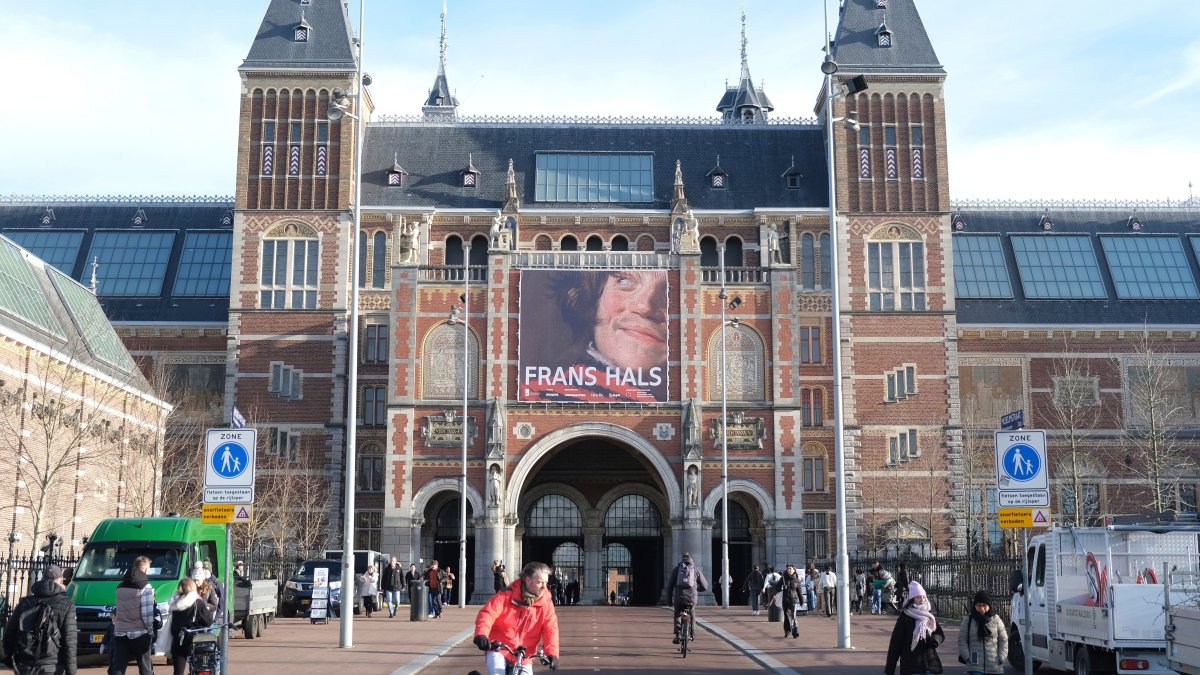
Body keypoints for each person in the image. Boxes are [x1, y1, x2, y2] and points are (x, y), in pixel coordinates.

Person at [524, 270, 669, 403]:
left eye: (671, 291)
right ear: (593, 298)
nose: (645, 306)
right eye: (624, 281)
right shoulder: (537, 398)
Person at [473, 561, 560, 674]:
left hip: (525, 656)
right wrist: (481, 634)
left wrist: (552, 653)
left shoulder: (546, 604)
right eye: (540, 582)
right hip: (499, 649)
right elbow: (488, 613)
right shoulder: (506, 594)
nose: (544, 587)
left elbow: (550, 629)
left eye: (546, 582)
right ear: (528, 580)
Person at [2, 564, 77, 675]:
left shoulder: (25, 602)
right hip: (52, 665)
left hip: (25, 663)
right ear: (60, 580)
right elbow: (69, 641)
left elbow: (10, 633)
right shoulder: (66, 604)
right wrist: (71, 670)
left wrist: (9, 659)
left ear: (42, 579)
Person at [885, 582, 944, 675]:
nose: (922, 599)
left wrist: (935, 640)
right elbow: (895, 644)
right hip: (910, 664)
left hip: (929, 663)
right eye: (918, 597)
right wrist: (890, 669)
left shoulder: (929, 616)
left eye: (923, 597)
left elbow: (939, 633)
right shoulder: (905, 617)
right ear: (912, 599)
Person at [109, 556, 156, 675]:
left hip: (120, 632)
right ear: (145, 570)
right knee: (145, 668)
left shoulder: (119, 587)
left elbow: (119, 610)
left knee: (118, 668)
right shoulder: (146, 587)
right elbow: (147, 614)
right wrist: (150, 631)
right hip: (139, 632)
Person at [167, 577, 213, 675]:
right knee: (200, 667)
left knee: (178, 672)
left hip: (178, 641)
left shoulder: (174, 603)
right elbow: (208, 621)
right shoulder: (197, 603)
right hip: (194, 641)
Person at [958, 590, 1008, 675]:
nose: (981, 608)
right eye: (979, 605)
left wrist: (1001, 657)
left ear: (989, 606)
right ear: (974, 606)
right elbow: (962, 640)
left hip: (994, 664)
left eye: (984, 605)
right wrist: (967, 657)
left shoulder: (996, 620)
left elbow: (1003, 640)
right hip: (975, 664)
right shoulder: (968, 620)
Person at [668, 552, 709, 644]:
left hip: (679, 599)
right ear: (691, 560)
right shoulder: (695, 570)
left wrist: (670, 601)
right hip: (691, 599)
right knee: (692, 612)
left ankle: (678, 634)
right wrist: (696, 589)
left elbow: (670, 587)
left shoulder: (676, 570)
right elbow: (705, 586)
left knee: (677, 613)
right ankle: (692, 633)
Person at [780, 564, 804, 639]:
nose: (789, 570)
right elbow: (777, 587)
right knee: (786, 616)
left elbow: (799, 591)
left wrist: (801, 600)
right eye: (788, 569)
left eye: (790, 569)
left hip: (794, 600)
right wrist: (781, 587)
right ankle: (787, 631)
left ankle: (795, 631)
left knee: (793, 616)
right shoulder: (783, 579)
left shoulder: (797, 580)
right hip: (785, 600)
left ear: (794, 570)